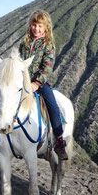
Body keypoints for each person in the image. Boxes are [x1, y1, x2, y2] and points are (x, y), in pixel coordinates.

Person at [18, 10, 68, 160]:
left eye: (40, 26)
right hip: (22, 80)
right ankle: (0, 137)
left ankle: (59, 141)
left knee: (53, 107)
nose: (36, 28)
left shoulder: (48, 45)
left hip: (40, 83)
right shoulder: (24, 43)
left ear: (46, 28)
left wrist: (37, 83)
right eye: (34, 25)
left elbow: (47, 67)